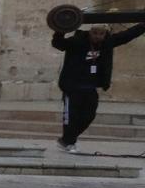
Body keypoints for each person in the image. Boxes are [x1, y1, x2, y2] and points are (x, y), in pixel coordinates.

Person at [54, 18, 145, 152]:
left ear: (105, 34)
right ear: (90, 32)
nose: (98, 36)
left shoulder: (108, 43)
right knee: (71, 117)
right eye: (95, 33)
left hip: (90, 88)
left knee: (89, 116)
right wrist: (60, 29)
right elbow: (58, 44)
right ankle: (69, 141)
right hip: (72, 87)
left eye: (101, 34)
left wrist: (143, 25)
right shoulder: (77, 41)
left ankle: (67, 139)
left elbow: (127, 35)